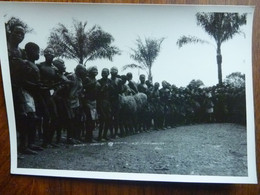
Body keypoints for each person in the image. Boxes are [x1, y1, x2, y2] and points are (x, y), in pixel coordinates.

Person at [7, 24, 38, 155]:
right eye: (17, 32)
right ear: (10, 32)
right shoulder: (5, 48)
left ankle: (23, 146)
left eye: (22, 34)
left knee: (23, 116)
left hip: (18, 87)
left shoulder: (21, 52)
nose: (20, 35)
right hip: (7, 86)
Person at [82, 66, 99, 143]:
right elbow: (83, 87)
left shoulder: (94, 79)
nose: (95, 72)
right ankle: (88, 137)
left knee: (93, 120)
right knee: (89, 120)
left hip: (94, 102)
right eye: (93, 70)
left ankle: (90, 136)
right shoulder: (87, 79)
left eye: (96, 70)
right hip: (87, 101)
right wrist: (92, 84)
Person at [97, 68, 113, 141]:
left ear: (108, 74)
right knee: (102, 119)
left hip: (108, 102)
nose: (104, 74)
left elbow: (113, 91)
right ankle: (100, 136)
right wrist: (103, 88)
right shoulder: (99, 81)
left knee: (108, 119)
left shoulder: (110, 81)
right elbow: (98, 93)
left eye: (105, 73)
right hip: (101, 102)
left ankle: (105, 135)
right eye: (102, 73)